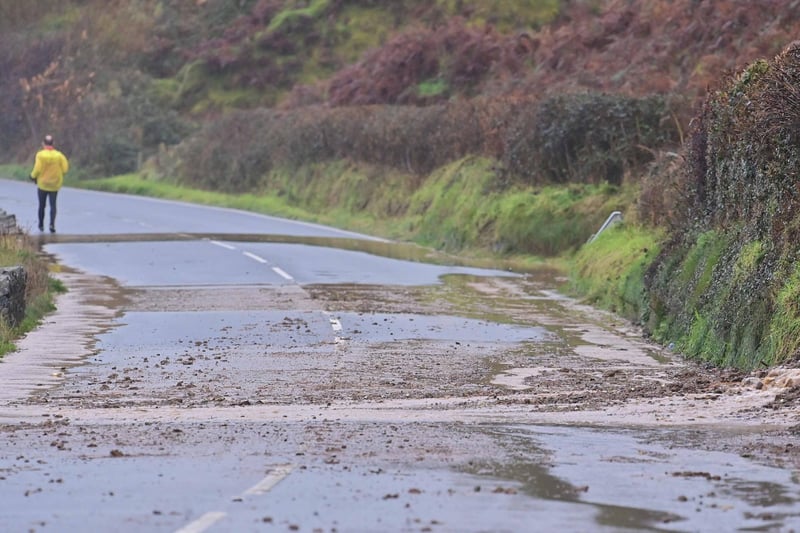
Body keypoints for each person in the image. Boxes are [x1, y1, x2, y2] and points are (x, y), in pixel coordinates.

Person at [29, 134, 69, 233]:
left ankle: (41, 224)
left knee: (42, 205)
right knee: (53, 205)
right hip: (55, 184)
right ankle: (52, 224)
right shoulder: (59, 156)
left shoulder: (40, 155)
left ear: (43, 144)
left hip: (42, 184)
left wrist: (32, 176)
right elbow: (65, 169)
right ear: (53, 143)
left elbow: (37, 169)